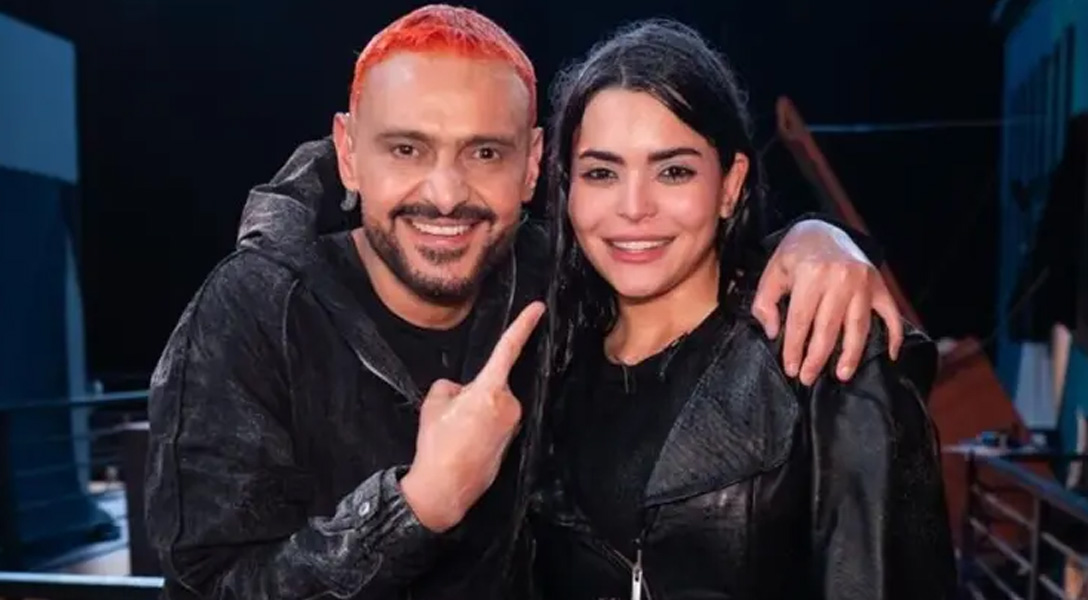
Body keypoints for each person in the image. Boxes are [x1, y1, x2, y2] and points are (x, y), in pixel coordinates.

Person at [144, 6, 907, 600]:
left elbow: (678, 255)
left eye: (485, 152)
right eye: (407, 148)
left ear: (535, 164)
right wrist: (415, 507)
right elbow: (205, 584)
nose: (447, 194)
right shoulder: (251, 315)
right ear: (347, 152)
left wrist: (820, 240)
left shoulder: (551, 283)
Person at [530, 19, 956, 600]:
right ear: (567, 189)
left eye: (673, 171)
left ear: (729, 186)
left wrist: (822, 233)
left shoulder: (825, 353)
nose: (633, 207)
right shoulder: (543, 366)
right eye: (601, 173)